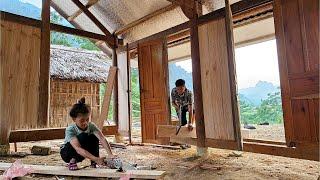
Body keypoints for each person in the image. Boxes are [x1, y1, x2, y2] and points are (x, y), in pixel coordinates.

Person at [60, 97, 116, 170]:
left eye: (87, 119)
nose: (85, 123)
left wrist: (110, 154)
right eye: (82, 120)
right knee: (83, 136)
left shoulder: (91, 126)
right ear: (74, 119)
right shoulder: (70, 129)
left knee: (93, 136)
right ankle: (72, 161)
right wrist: (96, 159)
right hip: (67, 154)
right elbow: (78, 149)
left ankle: (94, 162)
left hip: (82, 154)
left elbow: (102, 138)